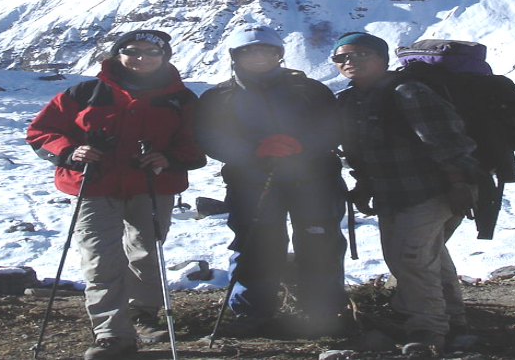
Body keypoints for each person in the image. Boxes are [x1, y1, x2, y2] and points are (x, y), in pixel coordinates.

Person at [27, 29, 205, 360]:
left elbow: (196, 142)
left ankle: (143, 315)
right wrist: (69, 151)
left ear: (165, 56)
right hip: (95, 185)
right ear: (116, 54)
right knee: (99, 257)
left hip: (152, 185)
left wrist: (169, 158)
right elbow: (41, 131)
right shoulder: (86, 92)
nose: (142, 58)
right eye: (133, 51)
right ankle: (111, 332)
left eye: (152, 52)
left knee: (146, 252)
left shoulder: (181, 99)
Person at [330, 31, 482, 356]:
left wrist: (458, 184)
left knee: (410, 260)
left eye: (360, 55)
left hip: (432, 191)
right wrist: (363, 186)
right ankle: (455, 324)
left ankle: (428, 332)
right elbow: (361, 152)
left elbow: (446, 140)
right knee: (430, 258)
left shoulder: (408, 92)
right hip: (392, 193)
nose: (349, 62)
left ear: (382, 59)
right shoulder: (349, 100)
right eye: (341, 57)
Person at [195, 26, 349, 338]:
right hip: (251, 183)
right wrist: (254, 151)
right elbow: (210, 137)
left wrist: (302, 145)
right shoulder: (219, 97)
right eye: (249, 51)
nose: (259, 56)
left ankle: (322, 310)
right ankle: (253, 310)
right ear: (235, 56)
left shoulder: (311, 90)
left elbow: (335, 127)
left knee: (321, 242)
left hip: (314, 180)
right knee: (256, 244)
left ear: (279, 54)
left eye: (267, 50)